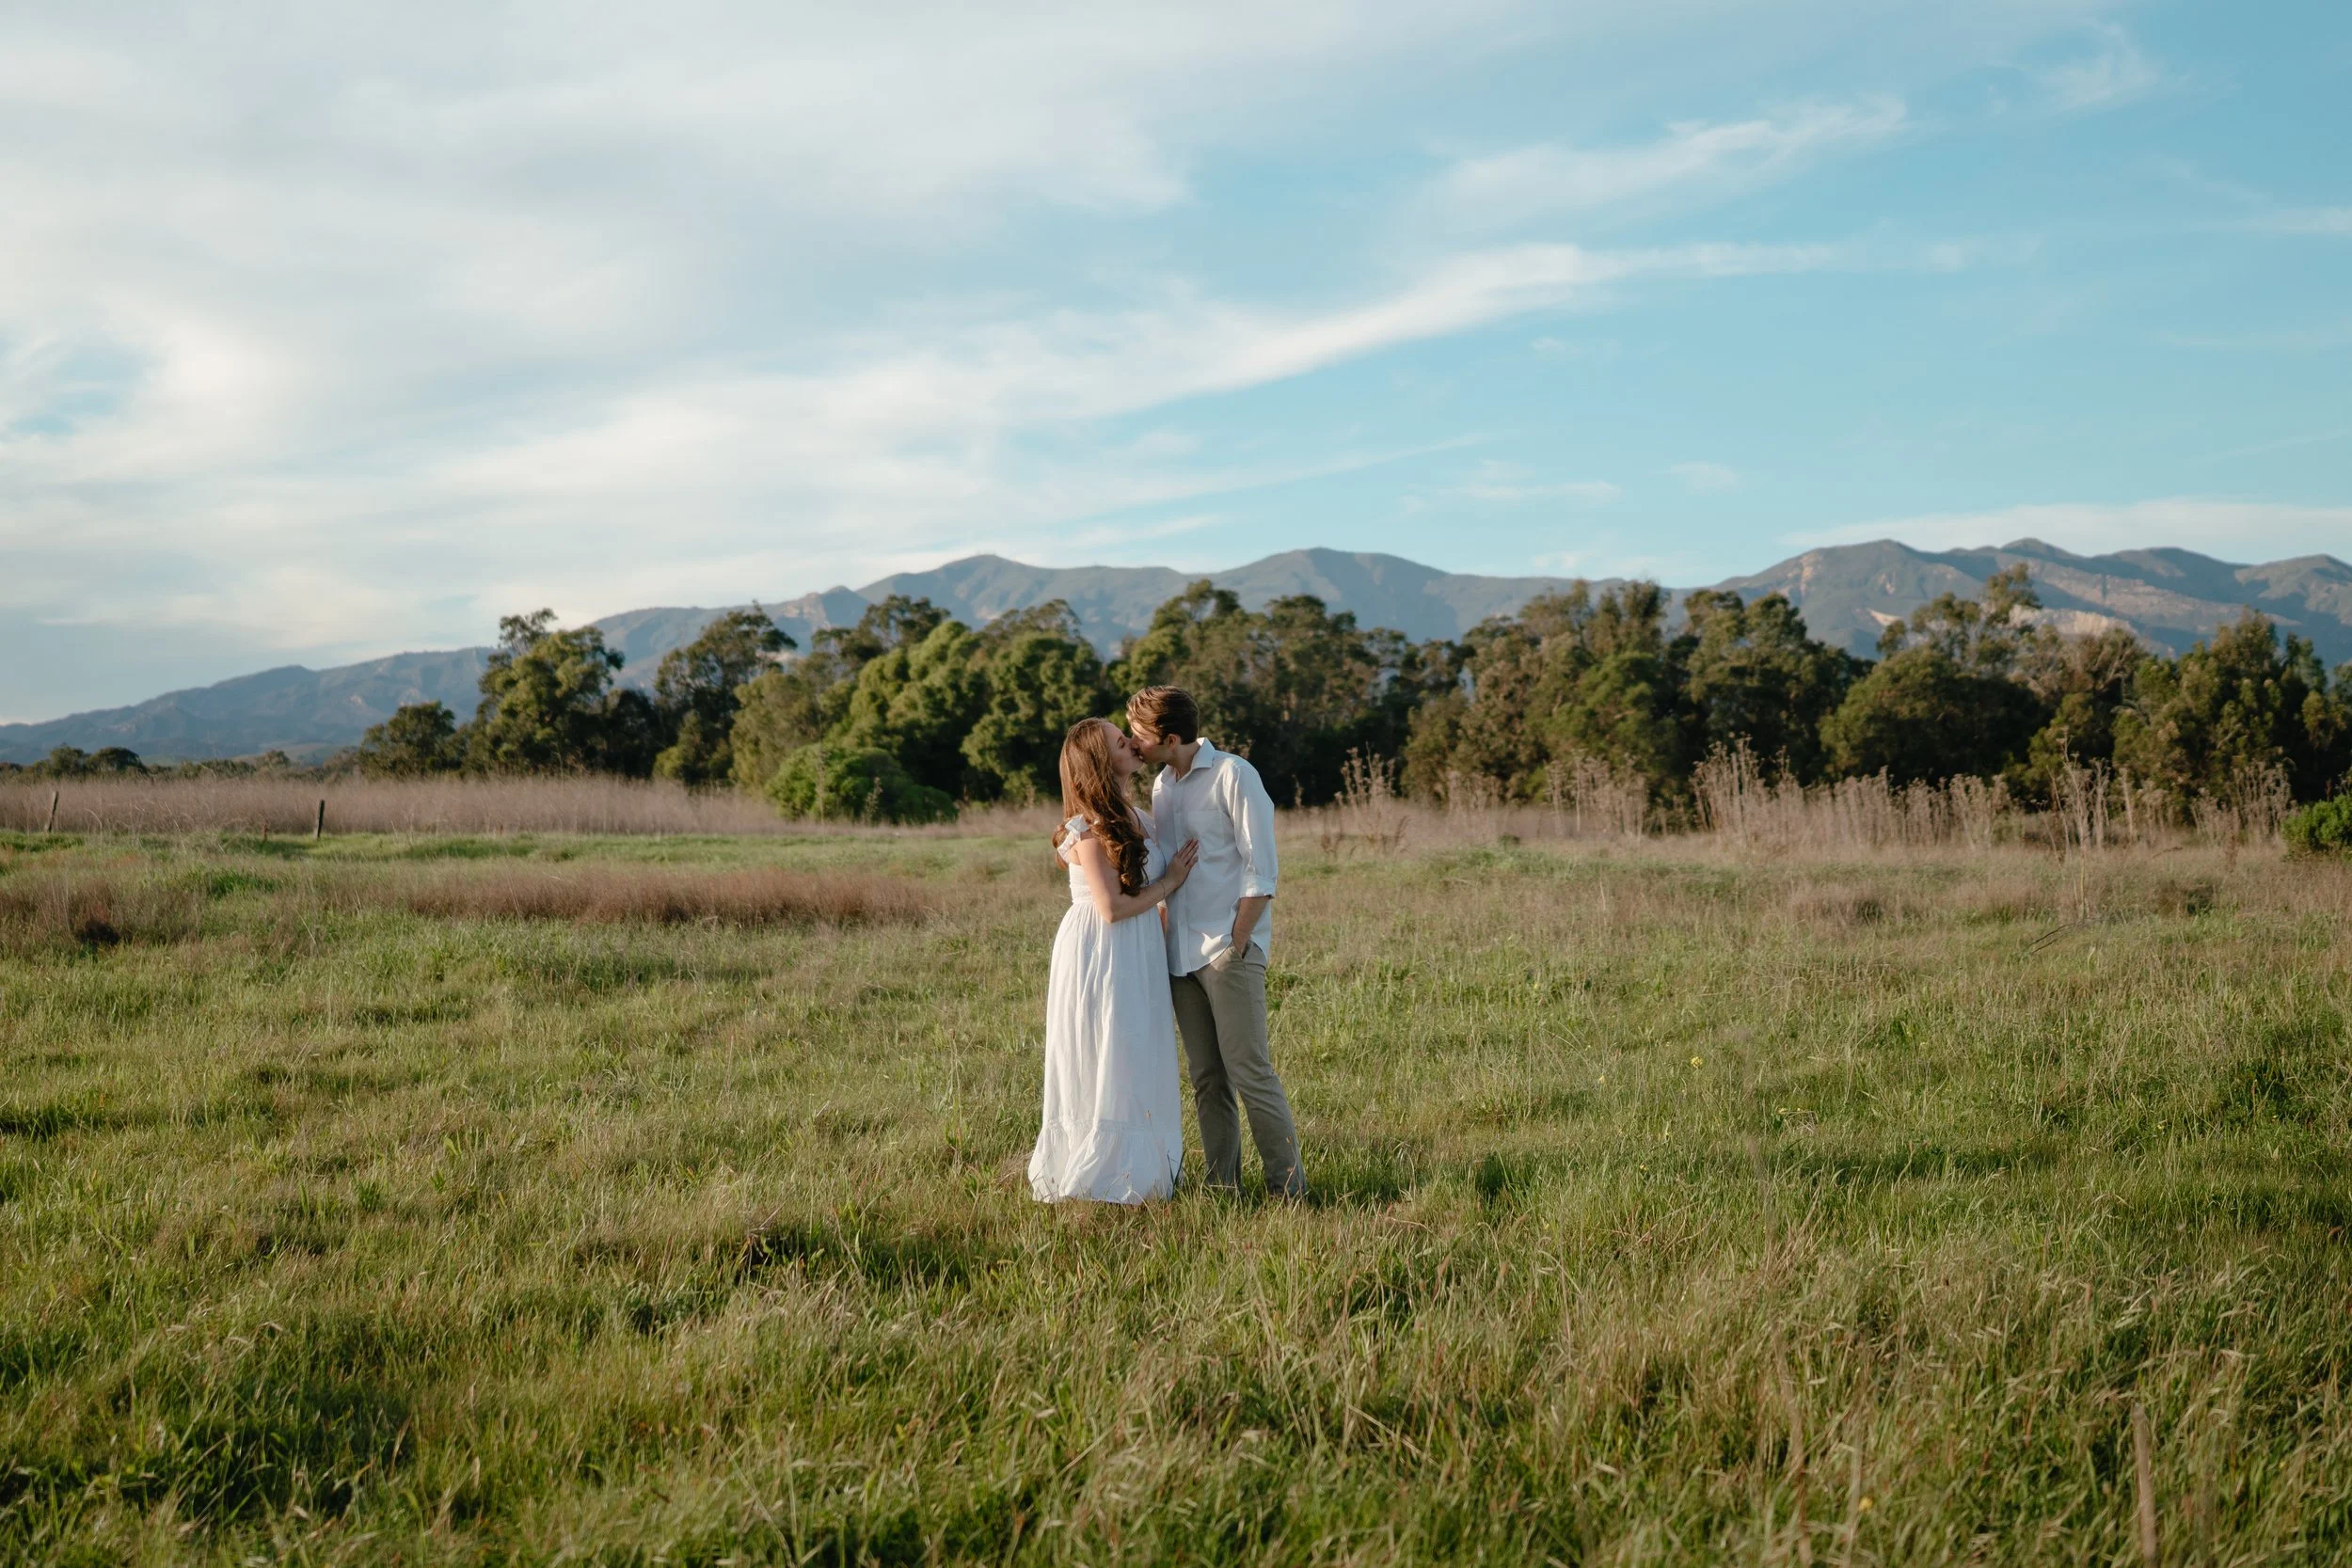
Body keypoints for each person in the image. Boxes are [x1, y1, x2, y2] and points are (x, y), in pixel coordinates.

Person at [1125, 686, 1306, 1199]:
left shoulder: (1234, 775)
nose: (1134, 744)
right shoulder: (1161, 787)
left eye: (1139, 734)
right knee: (1207, 1080)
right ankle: (1223, 1188)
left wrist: (1239, 939)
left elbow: (1261, 869)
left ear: (1171, 737)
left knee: (1251, 1072)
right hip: (1178, 957)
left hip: (1228, 951)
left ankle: (1288, 1191)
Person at [1027, 717, 1200, 1204]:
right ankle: (1100, 1172)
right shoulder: (1087, 828)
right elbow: (1111, 908)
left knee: (1137, 1048)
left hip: (1139, 943)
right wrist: (1170, 884)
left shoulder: (1140, 816)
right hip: (1100, 948)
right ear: (1101, 761)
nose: (1131, 746)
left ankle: (1142, 1172)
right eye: (1120, 743)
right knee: (1107, 1048)